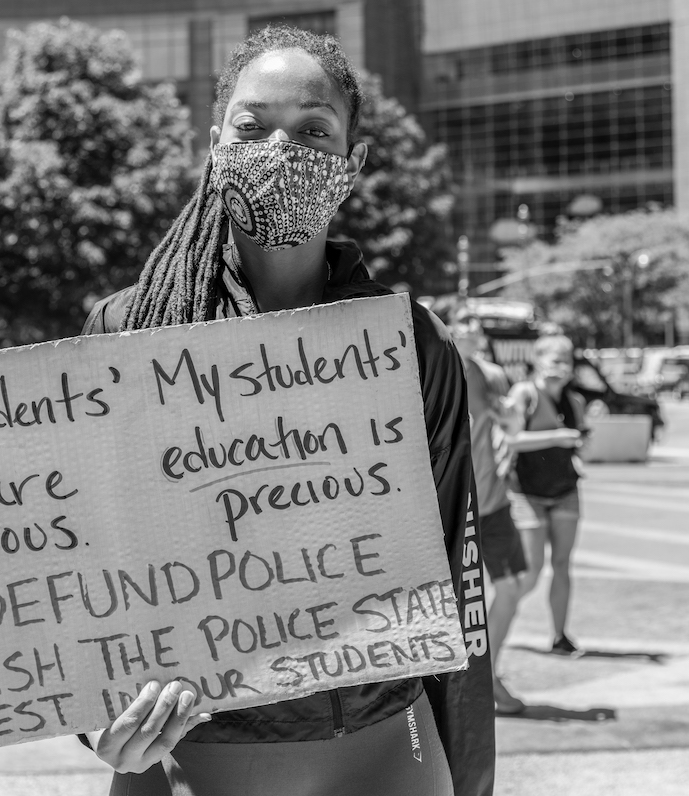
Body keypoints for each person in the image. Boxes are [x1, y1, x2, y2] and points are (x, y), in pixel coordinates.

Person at [78, 26, 494, 796]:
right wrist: (94, 719)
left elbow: (449, 576)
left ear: (352, 161)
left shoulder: (411, 342)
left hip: (385, 749)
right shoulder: (128, 333)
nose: (280, 148)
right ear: (215, 146)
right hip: (184, 756)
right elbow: (79, 559)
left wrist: (470, 772)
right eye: (252, 126)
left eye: (312, 129)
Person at [444, 306, 528, 714]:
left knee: (514, 587)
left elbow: (510, 426)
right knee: (459, 601)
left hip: (493, 500)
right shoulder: (436, 369)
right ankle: (472, 682)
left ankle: (488, 673)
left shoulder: (492, 374)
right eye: (463, 321)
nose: (472, 328)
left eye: (475, 323)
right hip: (455, 504)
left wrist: (513, 423)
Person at [506, 334, 587, 657]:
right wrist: (557, 436)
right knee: (532, 568)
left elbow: (580, 443)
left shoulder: (575, 402)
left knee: (563, 564)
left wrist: (581, 447)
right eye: (554, 359)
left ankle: (560, 636)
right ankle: (492, 624)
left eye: (565, 361)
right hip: (526, 492)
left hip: (565, 489)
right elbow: (509, 439)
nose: (560, 367)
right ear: (538, 360)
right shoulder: (524, 393)